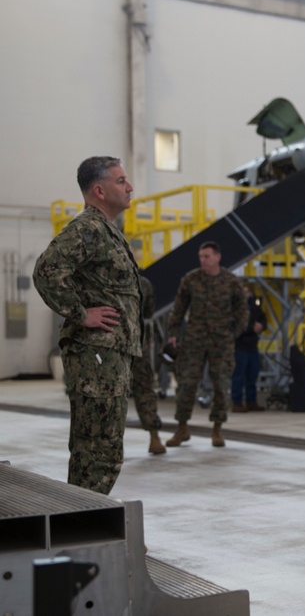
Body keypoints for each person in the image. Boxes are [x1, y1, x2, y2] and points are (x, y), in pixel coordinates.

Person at [33, 156, 143, 495]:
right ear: (99, 190)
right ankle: (82, 523)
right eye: (121, 181)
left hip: (108, 355)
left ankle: (82, 520)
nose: (129, 187)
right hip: (96, 354)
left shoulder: (106, 229)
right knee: (97, 449)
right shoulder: (89, 228)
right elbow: (46, 271)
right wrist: (82, 314)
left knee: (101, 447)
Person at [164, 241, 248, 448]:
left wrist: (233, 333)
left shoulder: (231, 281)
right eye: (201, 256)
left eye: (207, 256)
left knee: (221, 384)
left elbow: (242, 311)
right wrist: (173, 333)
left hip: (221, 341)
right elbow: (179, 308)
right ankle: (182, 428)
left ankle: (217, 429)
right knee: (186, 383)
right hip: (195, 340)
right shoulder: (191, 280)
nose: (203, 260)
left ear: (218, 257)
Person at [132, 275, 166, 454]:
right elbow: (148, 313)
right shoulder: (143, 282)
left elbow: (148, 315)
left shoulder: (144, 283)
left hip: (129, 347)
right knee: (144, 389)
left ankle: (154, 436)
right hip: (124, 346)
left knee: (144, 389)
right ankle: (154, 436)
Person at [231, 284, 267, 412]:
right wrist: (252, 327)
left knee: (252, 375)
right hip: (240, 346)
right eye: (244, 292)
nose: (247, 294)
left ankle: (252, 401)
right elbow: (236, 325)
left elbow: (263, 318)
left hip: (253, 346)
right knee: (238, 376)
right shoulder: (235, 308)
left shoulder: (254, 306)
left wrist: (261, 326)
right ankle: (237, 402)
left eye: (248, 292)